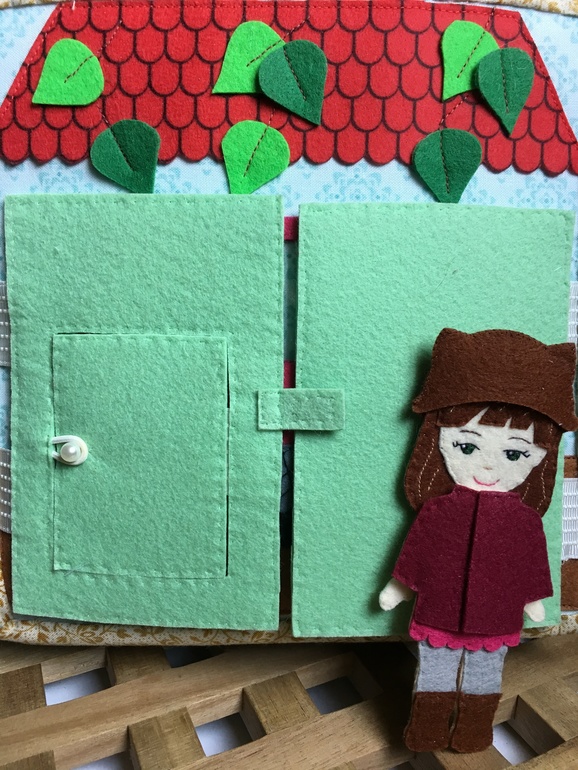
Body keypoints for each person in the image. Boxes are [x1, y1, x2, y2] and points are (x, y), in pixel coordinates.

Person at [379, 328, 578, 753]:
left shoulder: (525, 521)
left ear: (540, 458)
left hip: (497, 616)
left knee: (484, 677)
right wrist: (399, 587)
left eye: (513, 454)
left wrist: (532, 598)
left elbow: (531, 562)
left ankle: (472, 729)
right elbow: (418, 553)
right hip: (439, 611)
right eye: (467, 447)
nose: (488, 466)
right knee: (434, 673)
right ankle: (428, 729)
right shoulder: (437, 510)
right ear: (440, 440)